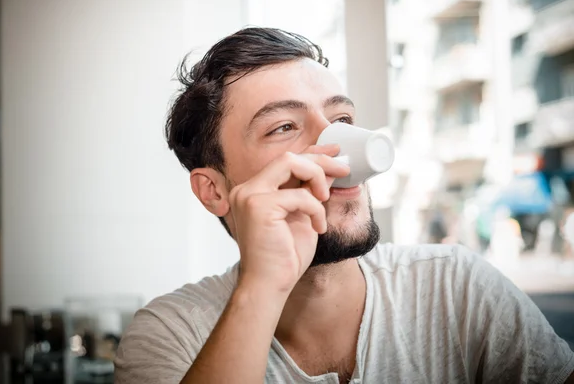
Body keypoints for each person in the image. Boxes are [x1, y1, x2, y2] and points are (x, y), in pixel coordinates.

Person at [114, 28, 574, 384]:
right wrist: (263, 287)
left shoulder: (456, 288)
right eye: (283, 127)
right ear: (213, 190)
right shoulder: (170, 333)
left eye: (342, 120)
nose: (339, 148)